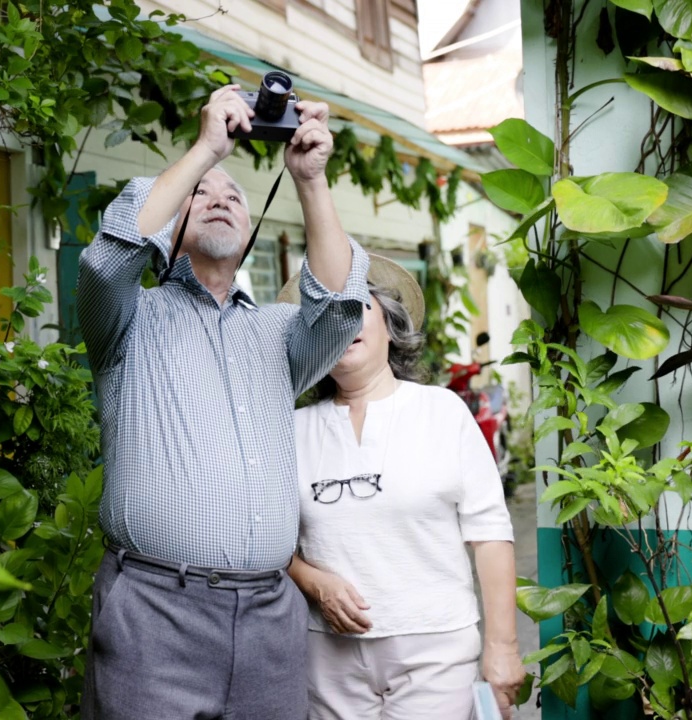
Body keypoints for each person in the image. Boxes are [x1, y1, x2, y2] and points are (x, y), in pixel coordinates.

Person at [76, 84, 371, 720]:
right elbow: (106, 262)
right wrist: (208, 147)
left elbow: (344, 306)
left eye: (234, 194)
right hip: (153, 614)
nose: (219, 198)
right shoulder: (128, 318)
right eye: (201, 192)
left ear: (250, 226)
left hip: (270, 619)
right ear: (172, 229)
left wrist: (310, 180)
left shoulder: (281, 330)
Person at [280, 262, 526, 720]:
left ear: (391, 326)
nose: (341, 322)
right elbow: (267, 542)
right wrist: (315, 583)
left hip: (436, 651)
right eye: (324, 315)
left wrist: (503, 647)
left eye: (356, 307)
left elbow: (490, 532)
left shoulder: (442, 412)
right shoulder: (290, 430)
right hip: (327, 656)